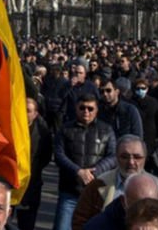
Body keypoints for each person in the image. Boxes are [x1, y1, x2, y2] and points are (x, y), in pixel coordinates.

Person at [72, 134, 158, 229]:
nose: (131, 162)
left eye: (137, 157)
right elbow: (80, 220)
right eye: (124, 157)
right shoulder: (98, 185)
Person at [53, 92, 116, 230]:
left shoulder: (107, 130)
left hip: (97, 193)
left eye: (90, 108)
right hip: (70, 191)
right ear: (76, 108)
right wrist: (78, 171)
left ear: (97, 110)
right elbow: (58, 154)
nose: (86, 112)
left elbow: (113, 156)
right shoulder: (65, 129)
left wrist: (95, 172)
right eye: (82, 108)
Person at [15, 97, 53, 230]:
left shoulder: (42, 132)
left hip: (31, 185)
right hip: (10, 183)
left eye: (28, 111)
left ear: (35, 114)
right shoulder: (11, 127)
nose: (24, 113)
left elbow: (45, 156)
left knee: (26, 224)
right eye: (21, 109)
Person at [84, 172, 158, 230]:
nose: (143, 211)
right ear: (124, 202)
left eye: (151, 207)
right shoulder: (98, 226)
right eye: (136, 206)